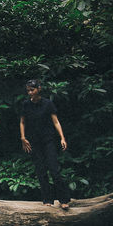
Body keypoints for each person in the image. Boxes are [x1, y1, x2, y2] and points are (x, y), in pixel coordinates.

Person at [18, 79, 71, 209]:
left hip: (48, 140)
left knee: (54, 169)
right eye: (28, 90)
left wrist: (62, 138)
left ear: (39, 89)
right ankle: (47, 200)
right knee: (41, 171)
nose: (30, 92)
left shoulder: (47, 104)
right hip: (34, 142)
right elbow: (22, 122)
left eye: (32, 90)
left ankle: (64, 200)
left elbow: (56, 122)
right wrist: (23, 138)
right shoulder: (26, 105)